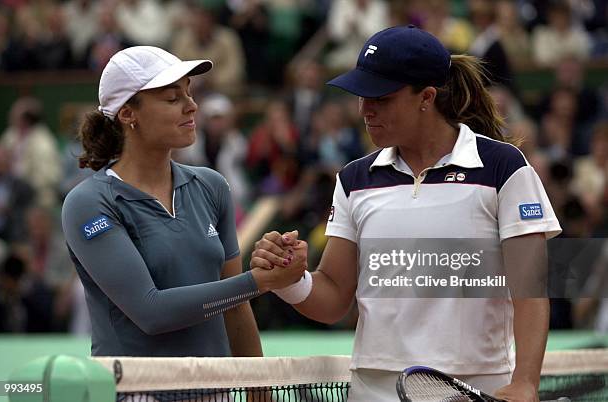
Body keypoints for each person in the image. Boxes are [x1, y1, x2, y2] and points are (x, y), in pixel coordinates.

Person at [251, 26, 561, 401]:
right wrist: (290, 280)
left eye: (380, 97)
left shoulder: (503, 166)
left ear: (426, 98)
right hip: (372, 390)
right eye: (361, 96)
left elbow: (530, 290)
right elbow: (333, 297)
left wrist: (526, 381)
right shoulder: (353, 179)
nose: (365, 110)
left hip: (478, 389)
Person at [61, 46, 304, 357]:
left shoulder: (212, 185)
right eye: (173, 98)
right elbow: (152, 312)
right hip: (137, 392)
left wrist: (260, 390)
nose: (192, 106)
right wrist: (259, 281)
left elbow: (235, 306)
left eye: (189, 94)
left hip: (216, 390)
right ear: (127, 113)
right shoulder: (89, 203)